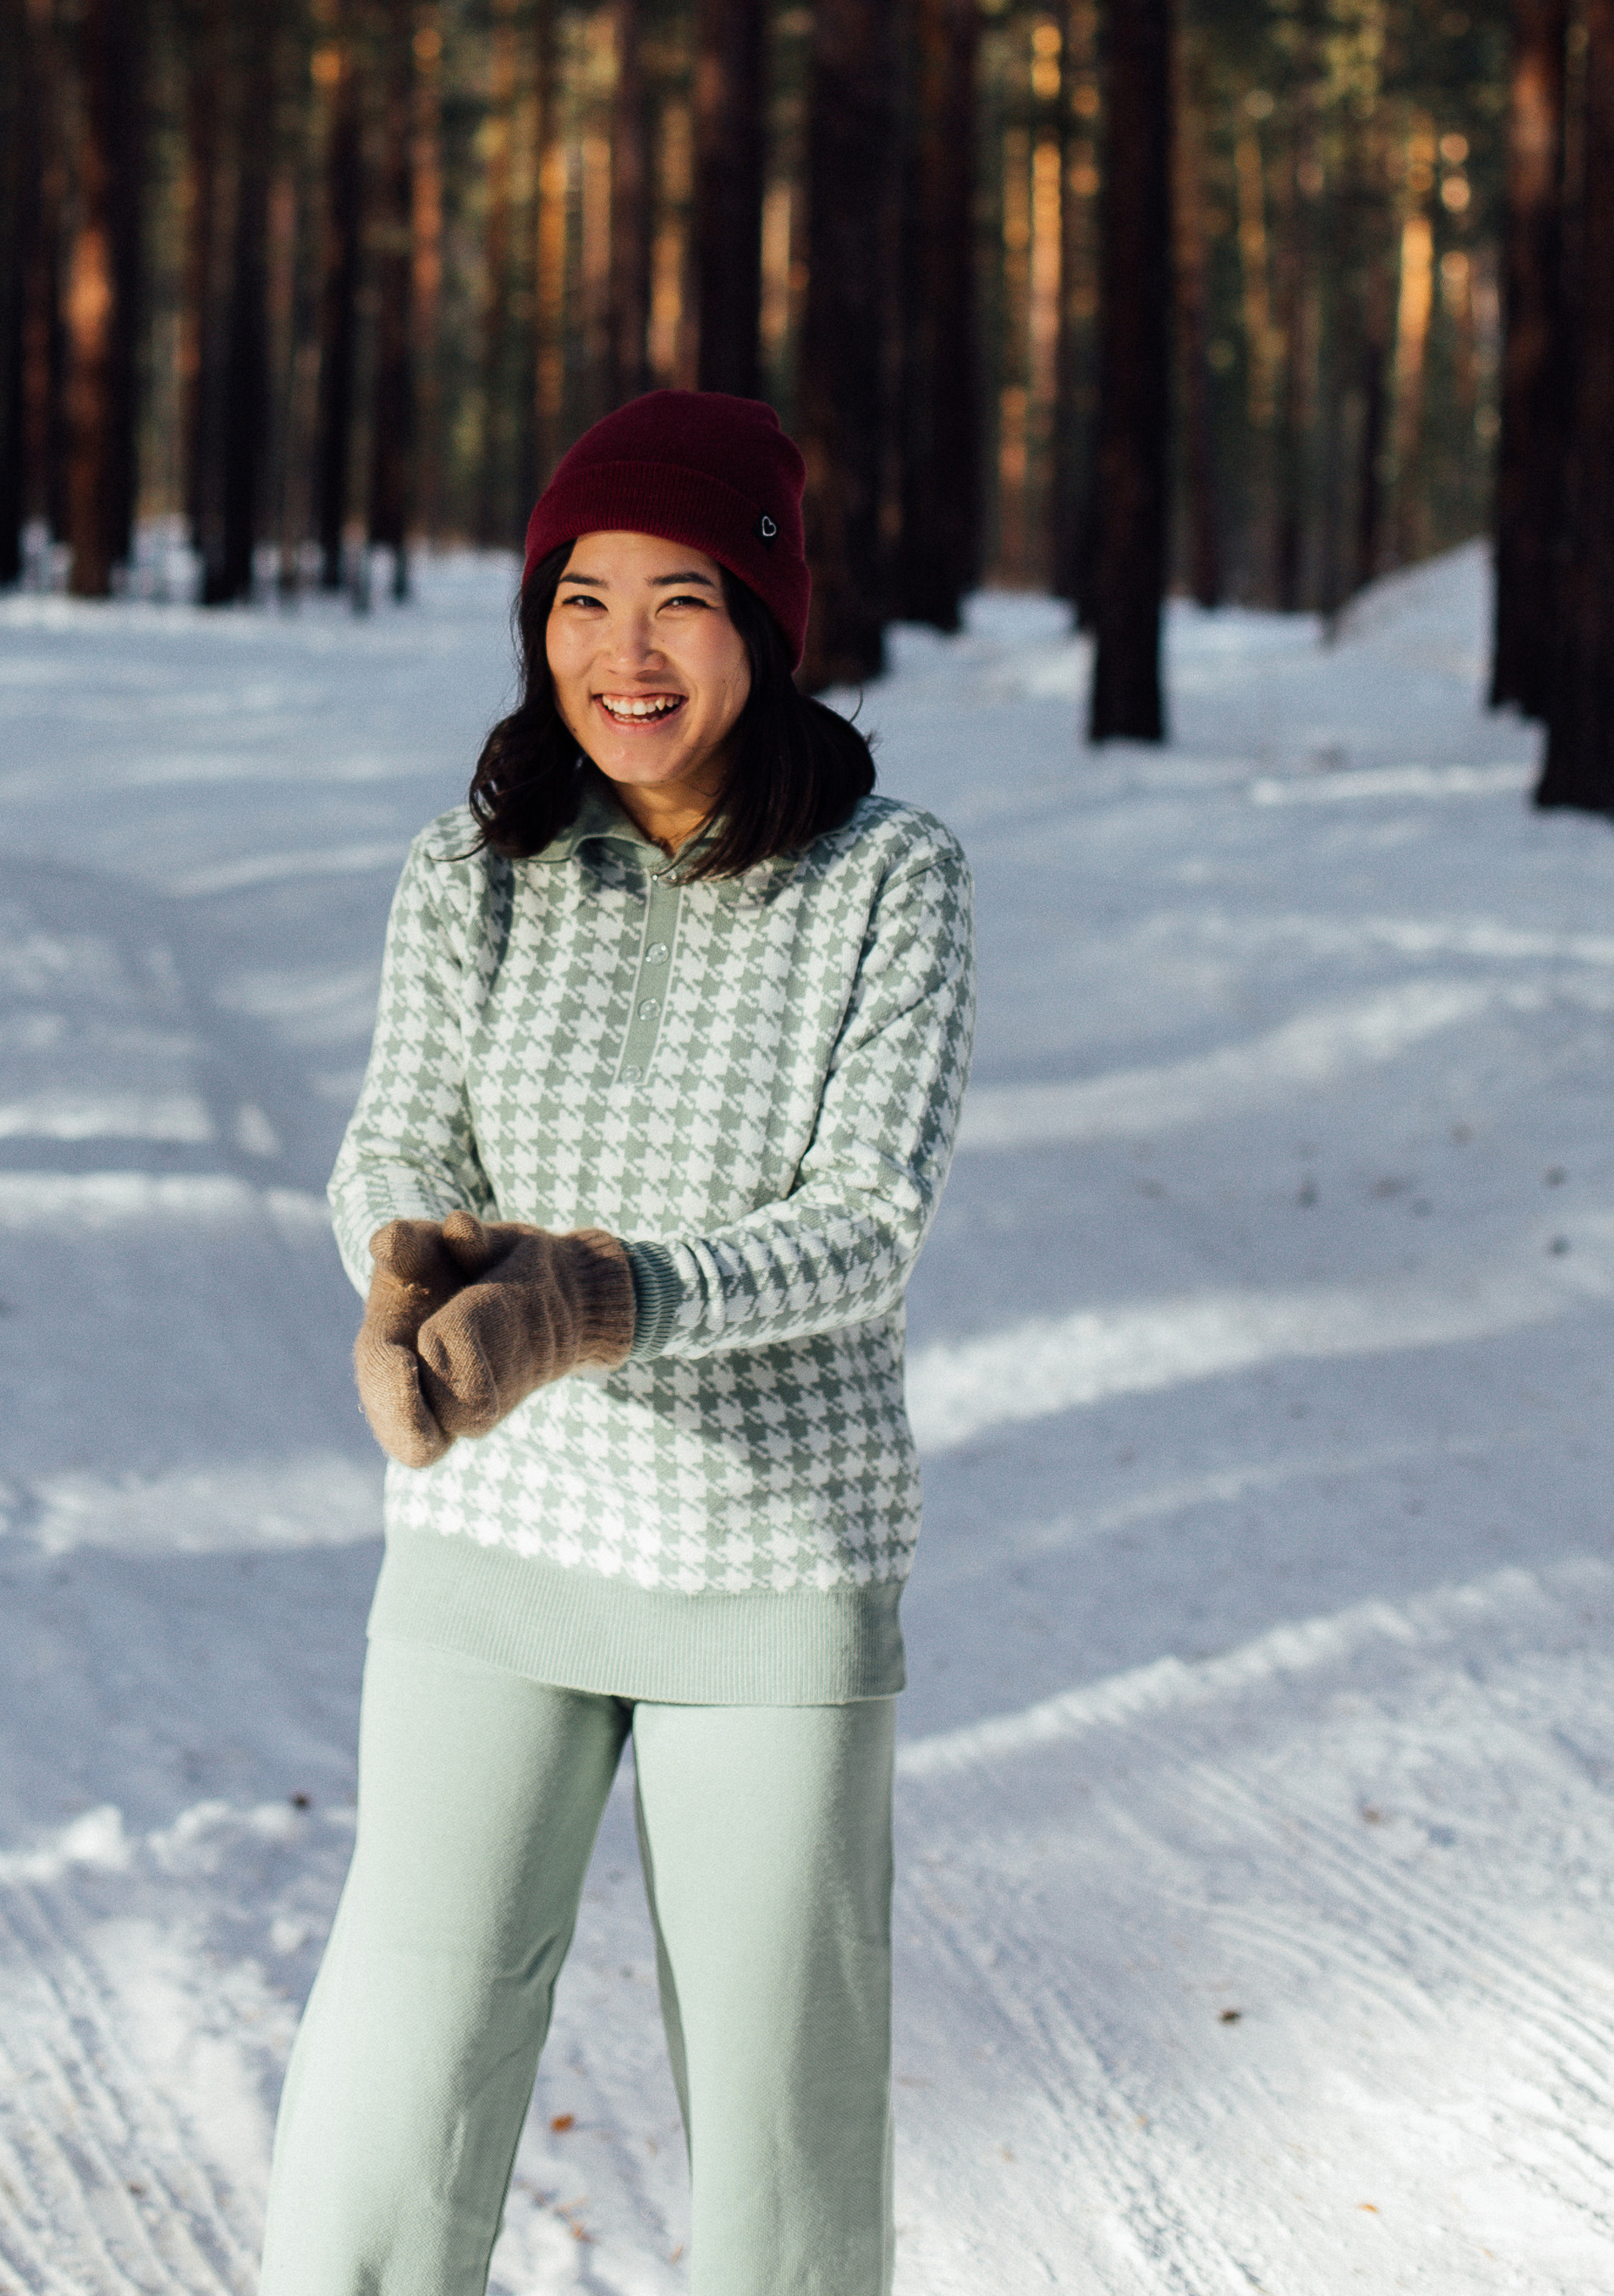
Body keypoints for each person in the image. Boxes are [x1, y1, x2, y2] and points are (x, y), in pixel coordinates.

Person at [260, 389, 976, 2296]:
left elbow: (865, 1221)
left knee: (778, 2129)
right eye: (581, 601)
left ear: (761, 620)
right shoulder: (471, 865)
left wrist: (598, 1298)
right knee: (391, 2086)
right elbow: (396, 1138)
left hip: (768, 1566)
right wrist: (409, 1276)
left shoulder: (886, 878)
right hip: (496, 1543)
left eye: (678, 599)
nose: (623, 654)